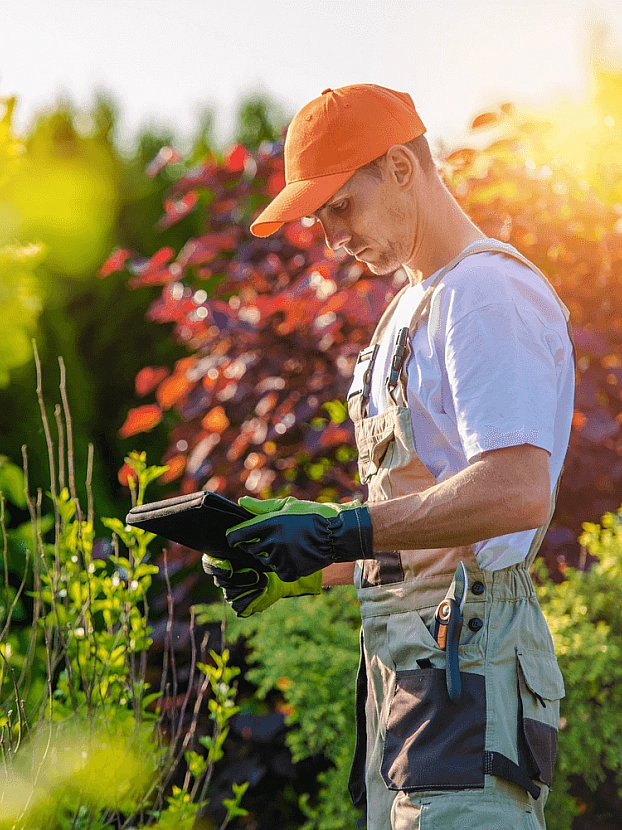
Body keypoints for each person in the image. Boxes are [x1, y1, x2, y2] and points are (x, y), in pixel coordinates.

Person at [202, 84, 576, 830]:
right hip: (412, 685)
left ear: (402, 168)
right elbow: (423, 537)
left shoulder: (484, 293)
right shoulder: (409, 308)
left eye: (341, 206)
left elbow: (517, 491)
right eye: (319, 218)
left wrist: (342, 530)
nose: (332, 237)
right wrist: (304, 561)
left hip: (469, 672)